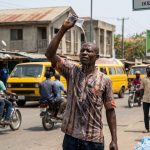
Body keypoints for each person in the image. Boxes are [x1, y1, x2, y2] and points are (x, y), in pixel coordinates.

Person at [45, 15, 118, 150]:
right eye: (82, 50)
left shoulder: (105, 80)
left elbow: (110, 111)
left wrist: (114, 140)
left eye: (88, 51)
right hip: (71, 138)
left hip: (93, 140)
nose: (84, 53)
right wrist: (63, 29)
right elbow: (49, 54)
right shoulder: (71, 71)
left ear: (96, 57)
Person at [140, 65, 150, 133]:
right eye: (147, 70)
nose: (148, 71)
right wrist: (140, 98)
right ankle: (147, 128)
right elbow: (142, 89)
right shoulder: (144, 79)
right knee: (145, 115)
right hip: (145, 100)